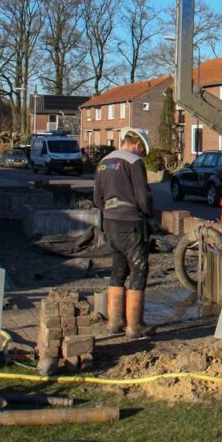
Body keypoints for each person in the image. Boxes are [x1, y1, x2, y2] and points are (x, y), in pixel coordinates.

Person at [93, 127, 155, 338]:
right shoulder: (133, 162)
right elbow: (143, 197)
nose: (141, 155)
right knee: (139, 270)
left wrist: (110, 211)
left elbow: (97, 198)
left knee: (118, 270)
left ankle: (114, 322)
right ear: (137, 145)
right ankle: (134, 326)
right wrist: (149, 213)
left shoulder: (104, 162)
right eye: (142, 151)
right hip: (131, 223)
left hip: (110, 222)